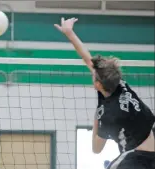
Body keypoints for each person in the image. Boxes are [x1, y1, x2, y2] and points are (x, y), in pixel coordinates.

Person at [55, 18, 155, 169]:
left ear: (98, 85)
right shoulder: (119, 83)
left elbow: (96, 149)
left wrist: (96, 120)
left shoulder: (108, 114)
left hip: (138, 156)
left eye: (94, 76)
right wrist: (70, 33)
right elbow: (88, 60)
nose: (92, 74)